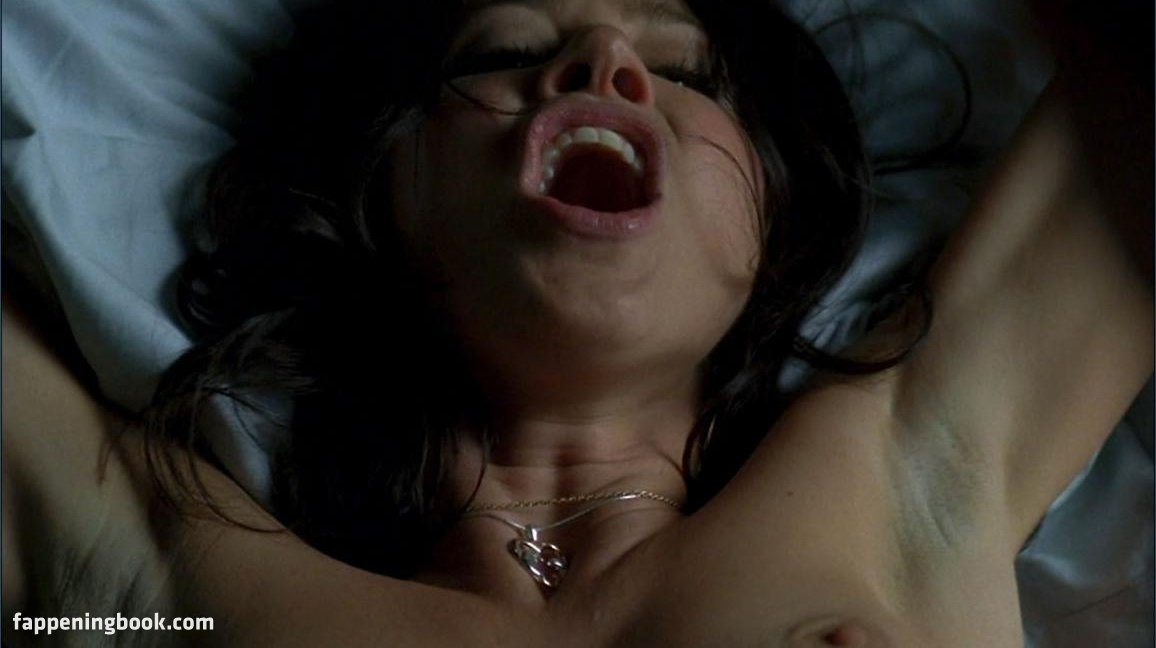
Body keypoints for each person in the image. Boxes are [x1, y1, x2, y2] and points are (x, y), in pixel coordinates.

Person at [2, 0, 1151, 645]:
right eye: (506, 53)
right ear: (378, 186)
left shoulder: (918, 471)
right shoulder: (152, 572)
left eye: (684, 72)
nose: (604, 64)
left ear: (767, 216)